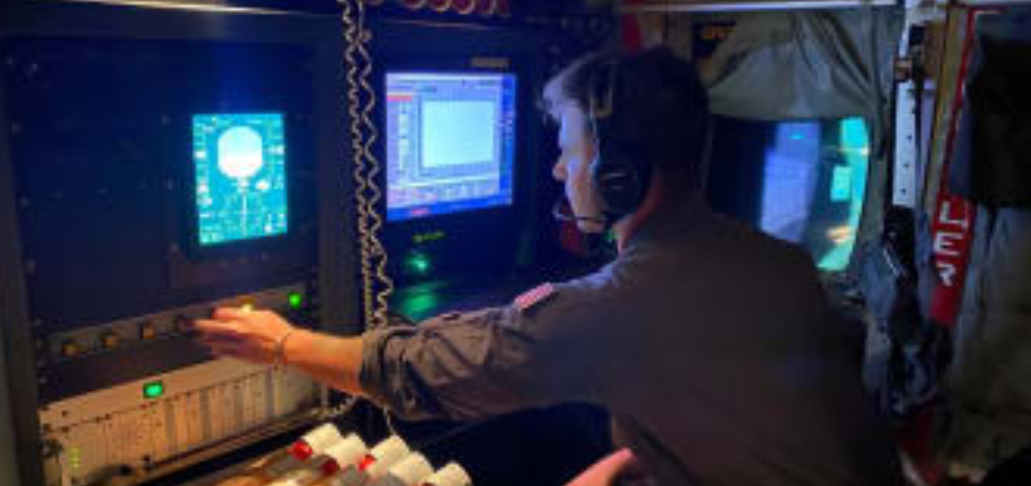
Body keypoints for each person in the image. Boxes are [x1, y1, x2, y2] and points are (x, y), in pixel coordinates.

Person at [195, 47, 902, 485]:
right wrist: (633, 462)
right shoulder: (778, 263)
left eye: (570, 148)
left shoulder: (623, 307)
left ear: (619, 171)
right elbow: (742, 415)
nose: (561, 169)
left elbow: (427, 373)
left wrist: (282, 343)